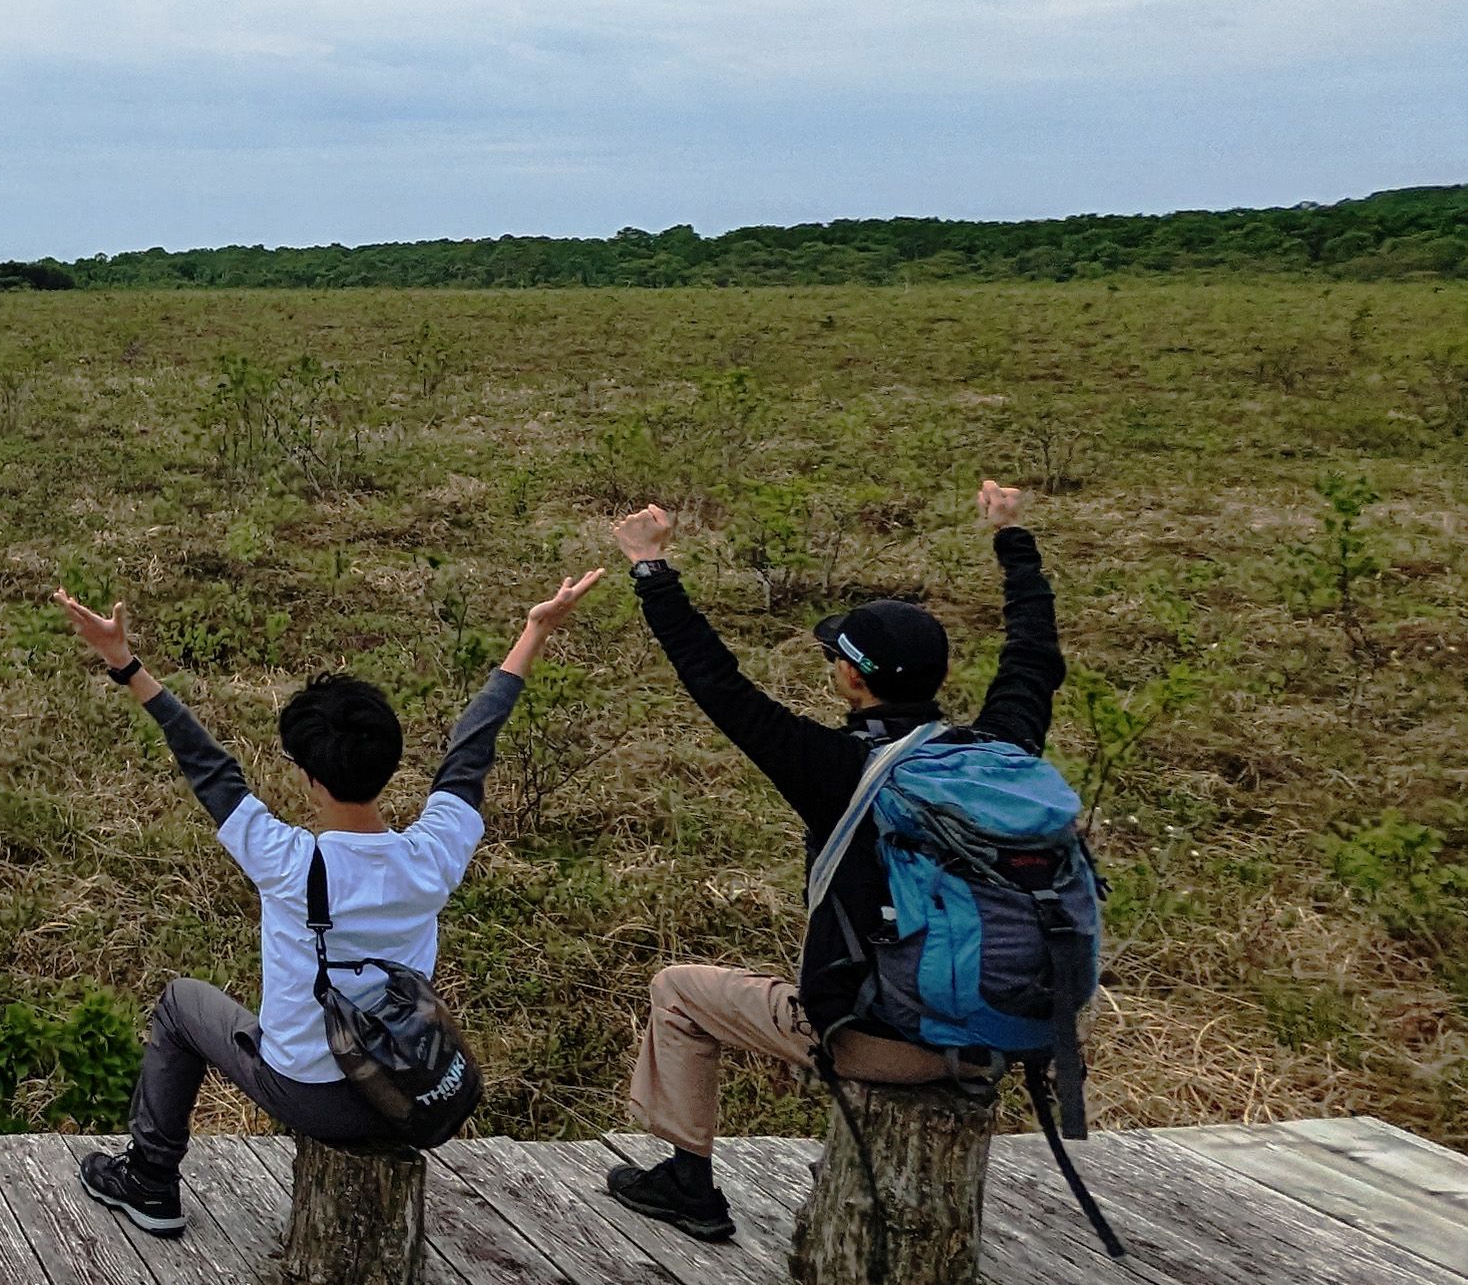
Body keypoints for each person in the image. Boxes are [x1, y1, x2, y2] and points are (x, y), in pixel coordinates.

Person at [52, 570, 599, 1234]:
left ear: (309, 776)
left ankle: (150, 1179)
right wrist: (533, 630)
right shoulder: (433, 855)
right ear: (390, 762)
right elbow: (470, 752)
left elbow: (208, 766)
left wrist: (126, 663)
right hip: (405, 1091)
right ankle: (150, 1177)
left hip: (310, 1094)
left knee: (179, 1007)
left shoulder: (287, 860)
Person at [598, 480, 1063, 1241]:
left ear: (852, 676)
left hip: (882, 1042)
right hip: (992, 1040)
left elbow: (718, 684)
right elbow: (1034, 654)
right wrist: (1013, 536)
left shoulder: (837, 769)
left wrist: (651, 566)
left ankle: (687, 1182)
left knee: (677, 992)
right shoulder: (1001, 753)